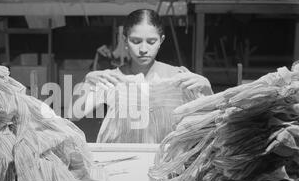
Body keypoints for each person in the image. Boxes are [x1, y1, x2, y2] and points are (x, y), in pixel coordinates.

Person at [73, 9, 213, 143]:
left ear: (161, 40)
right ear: (125, 40)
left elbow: (212, 120)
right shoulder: (113, 79)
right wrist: (87, 82)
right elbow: (74, 115)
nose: (143, 49)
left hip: (167, 161)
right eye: (136, 41)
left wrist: (207, 89)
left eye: (151, 42)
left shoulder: (178, 77)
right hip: (122, 159)